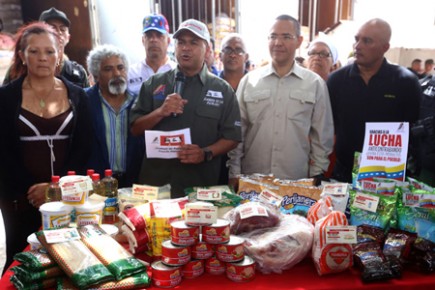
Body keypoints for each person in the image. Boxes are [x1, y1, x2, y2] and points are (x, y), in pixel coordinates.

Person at [0, 22, 92, 269]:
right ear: (22, 55)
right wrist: (32, 191)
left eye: (49, 51)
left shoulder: (78, 96)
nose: (43, 58)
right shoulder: (5, 98)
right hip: (21, 198)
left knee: (70, 260)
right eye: (34, 51)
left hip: (68, 197)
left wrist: (56, 187)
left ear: (59, 54)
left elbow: (84, 148)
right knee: (24, 261)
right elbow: (4, 153)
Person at [130, 19, 242, 198]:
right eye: (181, 42)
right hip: (157, 187)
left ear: (206, 49)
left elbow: (233, 137)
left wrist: (205, 153)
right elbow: (135, 128)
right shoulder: (153, 84)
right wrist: (160, 112)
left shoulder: (222, 90)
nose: (185, 48)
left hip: (200, 189)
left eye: (193, 43)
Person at [228, 15, 334, 186]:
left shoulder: (314, 84)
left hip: (297, 183)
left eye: (286, 37)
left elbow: (322, 137)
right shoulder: (250, 81)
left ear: (299, 41)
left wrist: (317, 175)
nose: (278, 43)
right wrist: (234, 172)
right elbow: (237, 132)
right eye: (273, 36)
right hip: (253, 182)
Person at [327, 18, 421, 183]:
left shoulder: (406, 82)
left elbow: (412, 128)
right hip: (344, 175)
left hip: (387, 179)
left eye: (367, 41)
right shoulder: (336, 80)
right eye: (356, 39)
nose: (357, 46)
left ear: (385, 47)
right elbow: (328, 127)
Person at [85, 44, 143, 187]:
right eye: (108, 69)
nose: (117, 74)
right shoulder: (83, 101)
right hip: (96, 184)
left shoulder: (139, 102)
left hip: (134, 184)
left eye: (120, 67)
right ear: (96, 76)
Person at [2, 7, 89, 88]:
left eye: (62, 29)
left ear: (68, 37)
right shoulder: (17, 70)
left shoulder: (77, 73)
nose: (58, 33)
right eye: (52, 28)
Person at [217, 33, 249, 185]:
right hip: (215, 161)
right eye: (228, 50)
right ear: (220, 55)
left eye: (238, 50)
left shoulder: (257, 85)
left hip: (250, 161)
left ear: (246, 57)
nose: (233, 55)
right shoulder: (209, 85)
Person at [127, 13, 176, 97]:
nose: (153, 40)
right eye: (149, 36)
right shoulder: (131, 73)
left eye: (159, 36)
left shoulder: (176, 71)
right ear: (143, 40)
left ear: (168, 41)